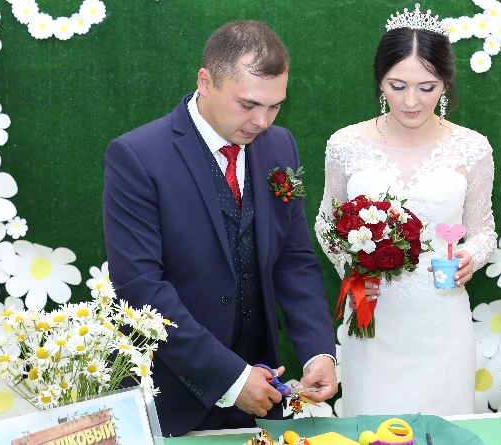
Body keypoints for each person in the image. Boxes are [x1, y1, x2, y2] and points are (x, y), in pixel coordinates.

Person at [103, 21, 337, 436]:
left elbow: (294, 259)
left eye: (275, 106)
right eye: (248, 104)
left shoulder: (280, 145)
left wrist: (319, 350)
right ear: (206, 82)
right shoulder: (136, 156)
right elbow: (141, 288)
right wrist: (230, 378)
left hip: (265, 394)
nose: (262, 121)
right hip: (172, 400)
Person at [315, 5, 497, 416]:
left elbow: (483, 230)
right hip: (373, 318)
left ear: (445, 84)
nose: (411, 101)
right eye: (398, 86)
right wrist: (353, 269)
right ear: (380, 81)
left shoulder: (472, 148)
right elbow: (327, 222)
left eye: (426, 87)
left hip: (441, 318)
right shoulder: (345, 144)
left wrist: (471, 256)